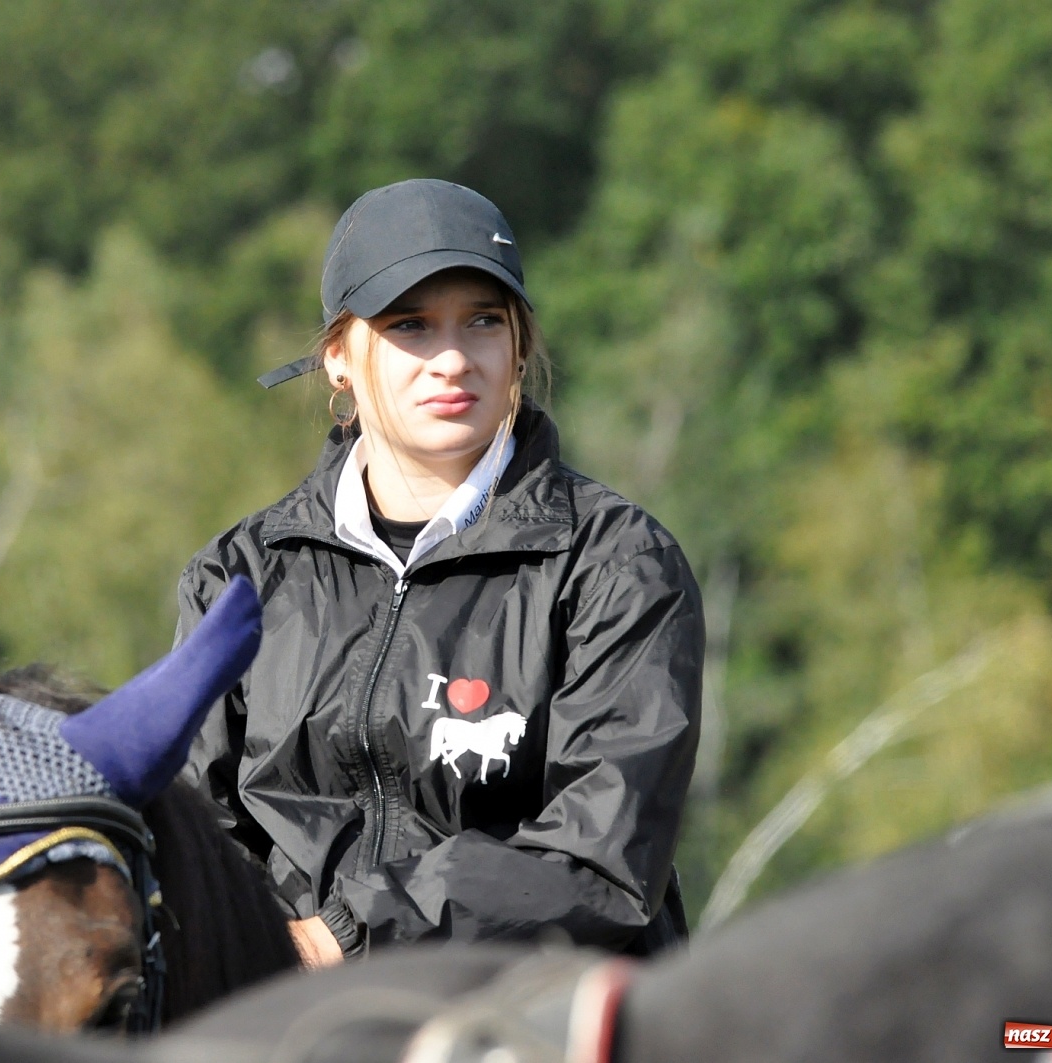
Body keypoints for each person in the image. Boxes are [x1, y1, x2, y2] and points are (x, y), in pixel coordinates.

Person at [177, 179, 703, 967]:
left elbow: (601, 858)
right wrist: (254, 948)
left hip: (527, 1013)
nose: (452, 358)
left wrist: (345, 935)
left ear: (519, 345)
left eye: (483, 321)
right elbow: (192, 828)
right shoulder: (239, 576)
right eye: (410, 326)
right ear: (338, 360)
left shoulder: (618, 564)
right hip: (282, 1011)